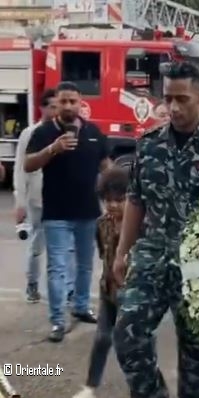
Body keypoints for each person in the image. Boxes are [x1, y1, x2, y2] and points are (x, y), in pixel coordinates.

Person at [112, 62, 199, 398]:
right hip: (153, 255)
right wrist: (121, 252)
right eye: (168, 98)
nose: (173, 107)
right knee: (128, 334)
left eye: (182, 98)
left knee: (198, 359)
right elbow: (136, 199)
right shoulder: (149, 144)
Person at [24, 81, 113, 343]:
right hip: (56, 214)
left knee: (85, 266)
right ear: (57, 104)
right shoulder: (44, 132)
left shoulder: (94, 131)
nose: (68, 106)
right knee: (58, 268)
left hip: (88, 211)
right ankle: (57, 321)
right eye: (63, 101)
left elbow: (106, 165)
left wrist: (116, 192)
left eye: (73, 101)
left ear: (80, 103)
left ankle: (82, 306)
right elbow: (28, 164)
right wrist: (53, 149)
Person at [13, 89, 77, 303]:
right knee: (37, 246)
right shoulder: (32, 133)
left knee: (67, 248)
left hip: (63, 199)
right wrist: (20, 201)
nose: (55, 109)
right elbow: (21, 170)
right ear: (42, 108)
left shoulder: (66, 132)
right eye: (51, 106)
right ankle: (32, 284)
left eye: (56, 105)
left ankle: (69, 290)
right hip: (38, 200)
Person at [72, 166, 129, 398]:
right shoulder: (101, 223)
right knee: (102, 338)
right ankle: (90, 387)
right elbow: (102, 252)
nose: (113, 205)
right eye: (107, 200)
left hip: (132, 295)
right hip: (108, 291)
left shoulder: (138, 225)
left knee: (135, 347)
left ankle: (150, 388)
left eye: (119, 200)